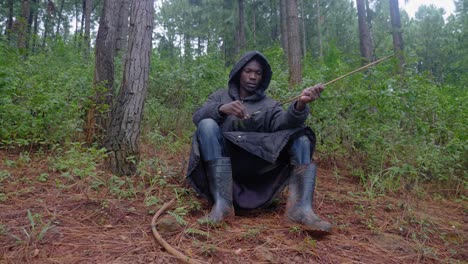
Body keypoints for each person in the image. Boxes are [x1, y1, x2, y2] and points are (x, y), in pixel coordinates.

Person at [186, 51, 332, 234]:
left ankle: (300, 210)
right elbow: (197, 117)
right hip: (225, 164)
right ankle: (222, 205)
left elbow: (285, 123)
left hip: (257, 167)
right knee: (206, 124)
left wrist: (300, 105)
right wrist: (222, 109)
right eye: (248, 71)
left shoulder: (270, 104)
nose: (253, 76)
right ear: (239, 72)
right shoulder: (220, 96)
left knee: (301, 137)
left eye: (258, 73)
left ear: (263, 77)